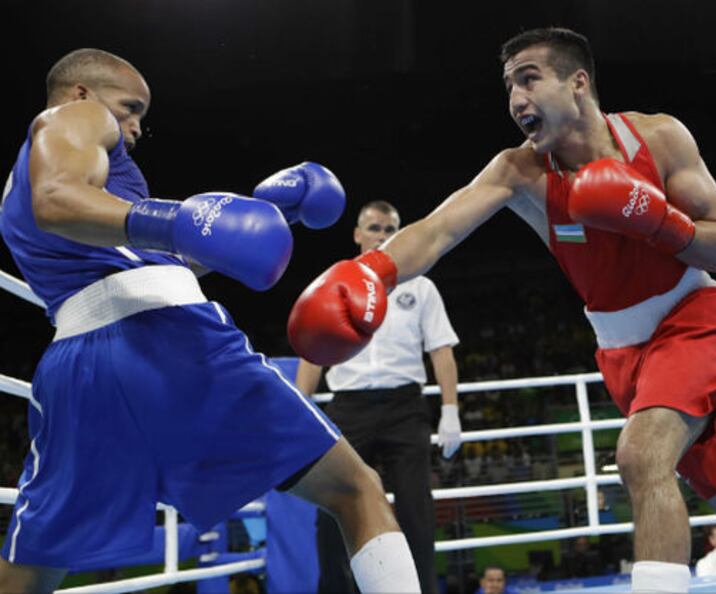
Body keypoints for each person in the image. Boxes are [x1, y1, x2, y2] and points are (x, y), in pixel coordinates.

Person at [287, 27, 716, 594]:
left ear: (578, 83)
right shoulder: (521, 171)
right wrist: (370, 269)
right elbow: (435, 229)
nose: (515, 98)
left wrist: (657, 221)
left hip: (694, 322)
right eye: (508, 84)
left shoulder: (658, 138)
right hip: (624, 352)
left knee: (640, 457)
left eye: (529, 78)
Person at [0, 48, 420, 593]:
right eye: (129, 109)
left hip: (77, 371)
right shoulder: (72, 119)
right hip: (169, 344)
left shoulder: (38, 183)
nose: (134, 128)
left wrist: (261, 213)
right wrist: (178, 219)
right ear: (82, 93)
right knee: (356, 489)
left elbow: (145, 259)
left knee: (29, 572)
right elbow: (58, 201)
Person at [295, 200, 461, 594]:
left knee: (415, 509)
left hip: (406, 408)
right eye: (374, 228)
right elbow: (313, 350)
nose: (382, 237)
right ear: (357, 234)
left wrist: (451, 410)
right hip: (349, 408)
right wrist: (299, 408)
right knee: (334, 505)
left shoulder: (420, 286)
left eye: (390, 230)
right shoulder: (332, 281)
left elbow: (441, 348)